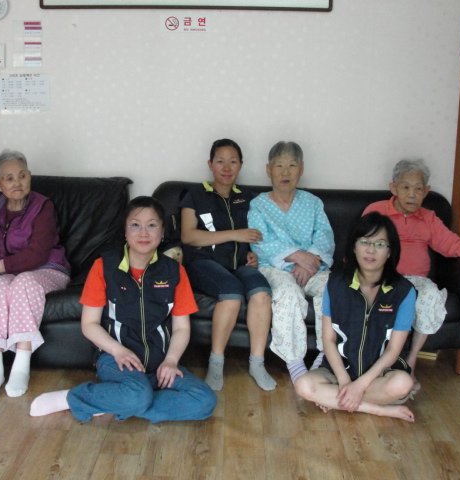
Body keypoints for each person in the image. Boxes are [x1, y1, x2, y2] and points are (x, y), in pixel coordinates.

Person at [29, 196, 217, 422]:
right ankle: (73, 398)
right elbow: (89, 324)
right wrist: (117, 350)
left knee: (205, 401)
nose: (143, 233)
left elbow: (181, 328)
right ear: (125, 231)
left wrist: (171, 360)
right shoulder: (103, 266)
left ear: (162, 231)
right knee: (138, 394)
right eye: (135, 225)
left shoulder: (174, 271)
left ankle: (114, 399)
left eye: (152, 225)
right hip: (115, 359)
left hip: (160, 362)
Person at [363, 159, 460, 391]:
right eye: (405, 187)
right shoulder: (376, 211)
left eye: (418, 188)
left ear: (426, 191)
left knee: (429, 295)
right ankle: (376, 365)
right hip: (382, 276)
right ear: (393, 188)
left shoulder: (428, 218)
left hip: (416, 280)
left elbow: (450, 243)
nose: (412, 194)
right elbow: (360, 244)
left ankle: (410, 363)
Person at [0, 149, 71, 402]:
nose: (17, 182)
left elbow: (37, 255)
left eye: (22, 175)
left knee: (23, 283)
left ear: (30, 177)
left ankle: (21, 367)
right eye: (9, 178)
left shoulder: (42, 206)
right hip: (8, 272)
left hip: (47, 269)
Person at [294, 212, 416, 422]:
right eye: (364, 242)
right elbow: (328, 340)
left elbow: (394, 350)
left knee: (402, 384)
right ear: (353, 246)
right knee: (302, 385)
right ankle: (378, 409)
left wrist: (360, 385)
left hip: (380, 376)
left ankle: (336, 399)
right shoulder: (335, 284)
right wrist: (344, 382)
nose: (371, 250)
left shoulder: (404, 291)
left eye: (380, 244)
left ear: (389, 251)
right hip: (339, 372)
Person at [179, 139, 275, 391]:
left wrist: (254, 253)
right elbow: (188, 236)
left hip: (240, 264)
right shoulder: (194, 195)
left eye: (233, 161)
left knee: (262, 294)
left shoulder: (249, 198)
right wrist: (235, 234)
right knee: (231, 294)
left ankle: (257, 363)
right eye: (220, 161)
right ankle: (216, 362)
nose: (226, 167)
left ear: (241, 165)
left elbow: (259, 234)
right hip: (203, 262)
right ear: (210, 164)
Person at [248, 141, 335, 385]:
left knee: (333, 288)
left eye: (292, 165)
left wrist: (309, 261)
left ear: (301, 169)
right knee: (288, 293)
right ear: (268, 170)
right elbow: (259, 241)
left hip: (314, 267)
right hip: (275, 268)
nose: (285, 172)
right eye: (279, 166)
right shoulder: (259, 205)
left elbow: (324, 236)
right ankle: (295, 361)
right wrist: (298, 256)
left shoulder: (313, 203)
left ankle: (325, 356)